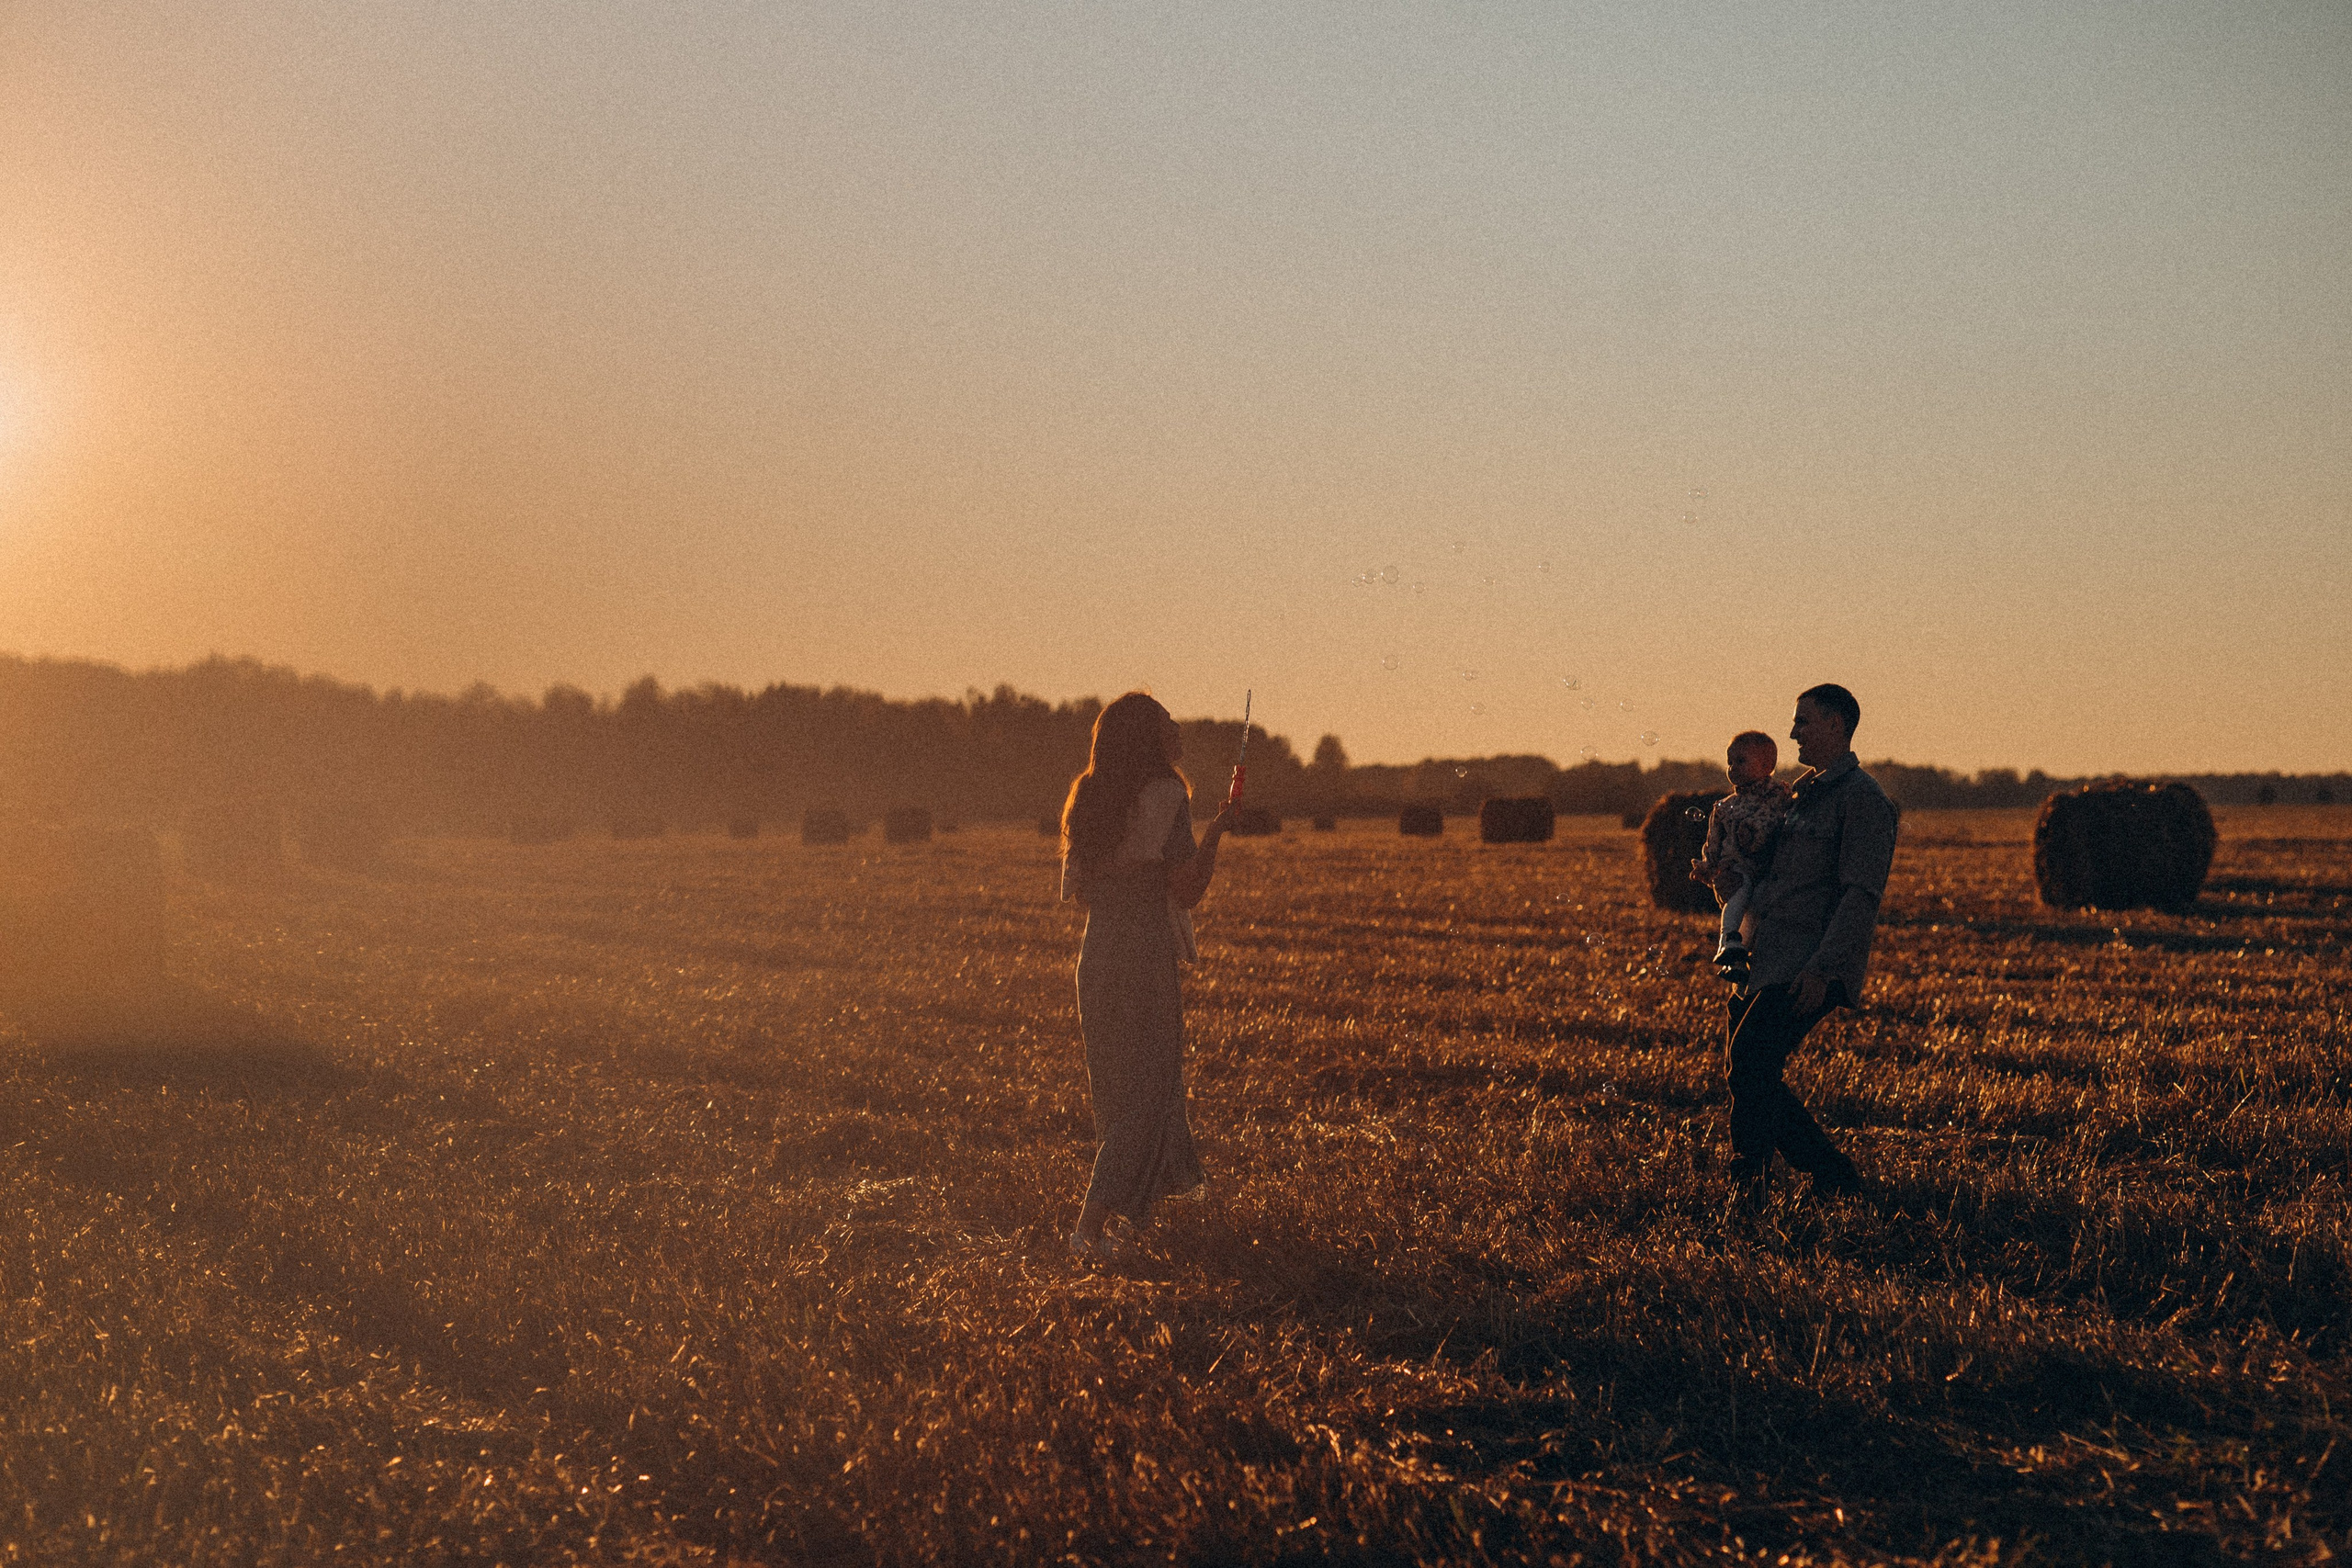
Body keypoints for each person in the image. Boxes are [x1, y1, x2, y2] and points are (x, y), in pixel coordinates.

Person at [1057, 693, 1238, 1261]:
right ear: (1149, 737)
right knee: (1151, 1090)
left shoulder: (1089, 797)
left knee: (1119, 1095)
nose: (1178, 726)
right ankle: (1088, 1229)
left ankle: (1139, 1222)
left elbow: (1081, 890)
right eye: (1167, 721)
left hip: (1096, 957)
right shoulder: (1169, 796)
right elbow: (1187, 889)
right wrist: (1217, 831)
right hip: (1143, 956)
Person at [1721, 683, 1899, 1202]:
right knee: (1748, 1071)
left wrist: (1824, 968)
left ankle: (1829, 1175)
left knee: (1751, 1063)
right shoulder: (1798, 794)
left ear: (1837, 726)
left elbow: (1860, 894)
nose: (1793, 731)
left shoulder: (1864, 801)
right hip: (1765, 954)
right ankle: (1752, 1184)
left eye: (1804, 721)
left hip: (1806, 963)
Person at [1690, 730, 1794, 985]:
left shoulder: (1779, 796)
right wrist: (1707, 866)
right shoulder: (1724, 807)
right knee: (1737, 898)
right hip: (1740, 870)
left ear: (1767, 766)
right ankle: (1728, 945)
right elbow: (1713, 843)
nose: (1732, 768)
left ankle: (1736, 956)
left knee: (1756, 916)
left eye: (1741, 761)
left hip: (1770, 872)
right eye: (1730, 762)